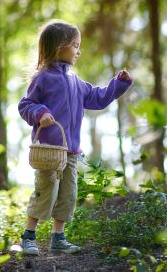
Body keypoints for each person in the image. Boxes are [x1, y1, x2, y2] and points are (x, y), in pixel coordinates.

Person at [18, 20, 133, 255]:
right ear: (60, 46)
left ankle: (58, 238)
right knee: (46, 192)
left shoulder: (75, 80)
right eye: (75, 46)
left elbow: (98, 98)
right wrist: (40, 113)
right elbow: (25, 105)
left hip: (70, 152)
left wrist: (118, 84)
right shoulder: (43, 78)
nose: (79, 51)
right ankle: (28, 236)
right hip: (49, 150)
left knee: (68, 195)